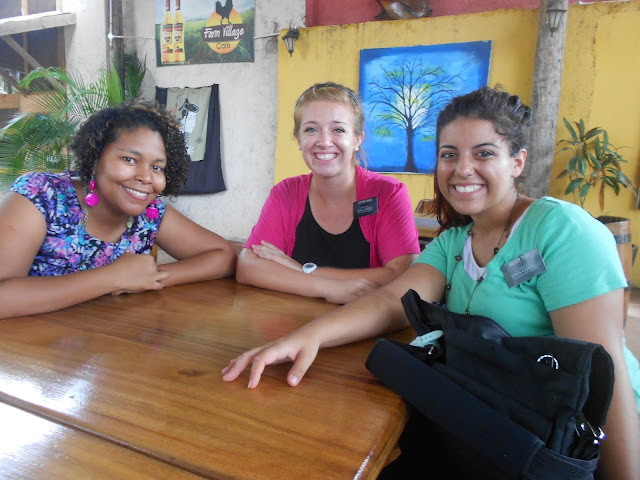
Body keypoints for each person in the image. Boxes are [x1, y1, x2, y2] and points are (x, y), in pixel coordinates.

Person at [223, 86, 640, 479]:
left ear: (517, 162)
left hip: (564, 438)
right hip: (502, 417)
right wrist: (307, 336)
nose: (462, 168)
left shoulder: (560, 230)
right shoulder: (455, 242)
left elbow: (604, 379)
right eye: (449, 154)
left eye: (484, 153)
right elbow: (391, 301)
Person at [0, 99, 236, 319]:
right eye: (129, 160)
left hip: (109, 337)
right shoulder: (40, 196)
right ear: (95, 159)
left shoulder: (150, 213)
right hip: (27, 344)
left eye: (157, 167)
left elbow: (222, 256)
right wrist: (112, 278)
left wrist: (148, 278)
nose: (146, 177)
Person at [236, 82, 420, 304]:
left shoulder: (388, 193)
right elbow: (247, 266)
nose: (324, 142)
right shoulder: (285, 193)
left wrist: (301, 269)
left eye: (338, 130)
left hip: (366, 320)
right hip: (291, 319)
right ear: (298, 139)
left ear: (357, 139)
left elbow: (402, 275)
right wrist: (328, 288)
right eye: (311, 129)